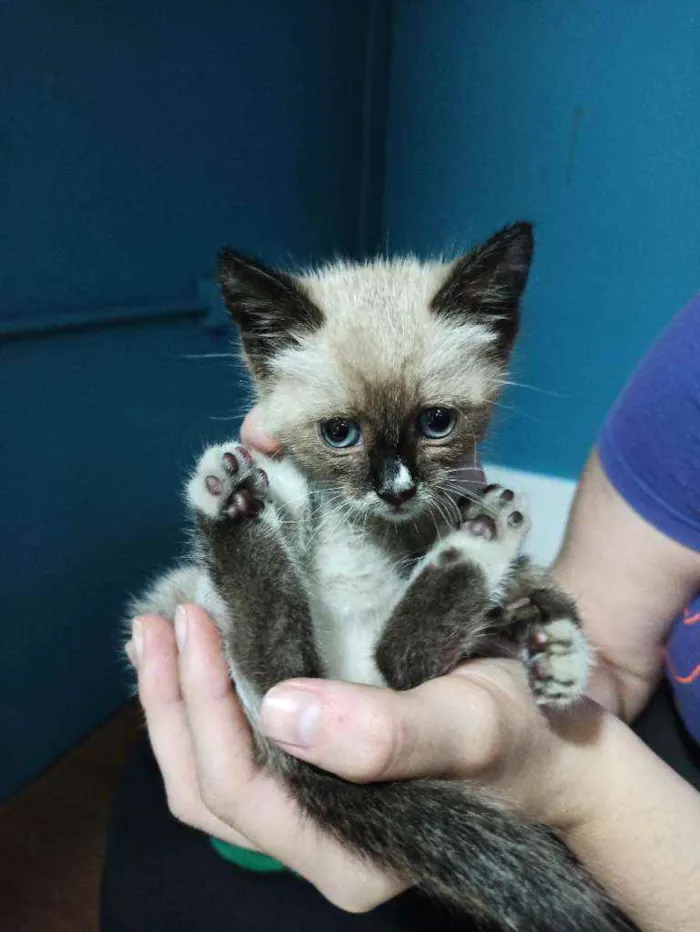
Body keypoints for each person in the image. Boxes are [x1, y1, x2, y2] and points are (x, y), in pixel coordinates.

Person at [103, 295, 700, 932]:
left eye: (437, 421)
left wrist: (576, 779)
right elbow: (609, 636)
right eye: (340, 432)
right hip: (341, 672)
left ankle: (309, 616)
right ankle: (314, 616)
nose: (396, 483)